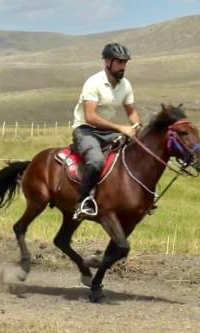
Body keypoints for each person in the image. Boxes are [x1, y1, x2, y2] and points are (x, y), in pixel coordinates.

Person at [71, 43, 142, 220]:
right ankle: (83, 202)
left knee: (137, 153)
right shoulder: (94, 82)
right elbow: (90, 116)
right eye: (119, 62)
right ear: (108, 62)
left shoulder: (125, 85)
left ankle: (135, 196)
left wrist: (137, 128)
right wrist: (120, 128)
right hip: (86, 130)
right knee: (95, 161)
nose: (123, 66)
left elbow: (131, 111)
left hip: (107, 131)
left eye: (125, 62)